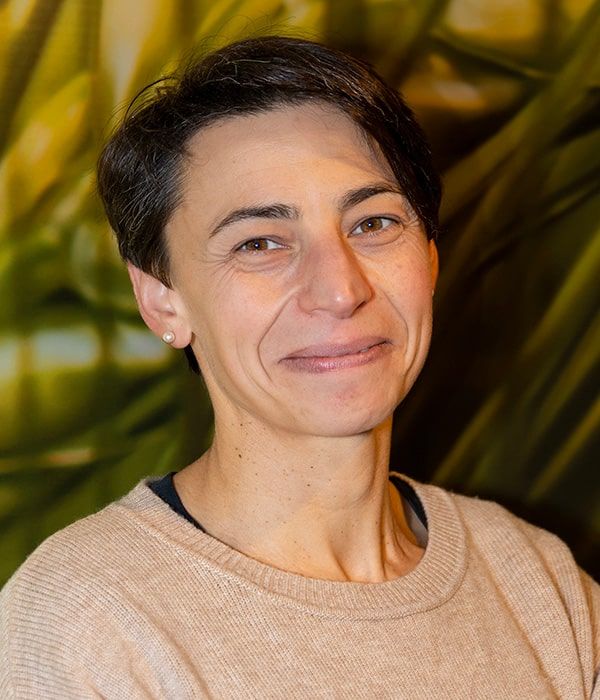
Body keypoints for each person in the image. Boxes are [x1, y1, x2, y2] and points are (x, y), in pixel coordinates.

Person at [1, 36, 598, 699]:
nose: (340, 290)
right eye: (259, 243)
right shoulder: (89, 618)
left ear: (428, 261)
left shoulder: (536, 580)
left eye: (373, 224)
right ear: (162, 301)